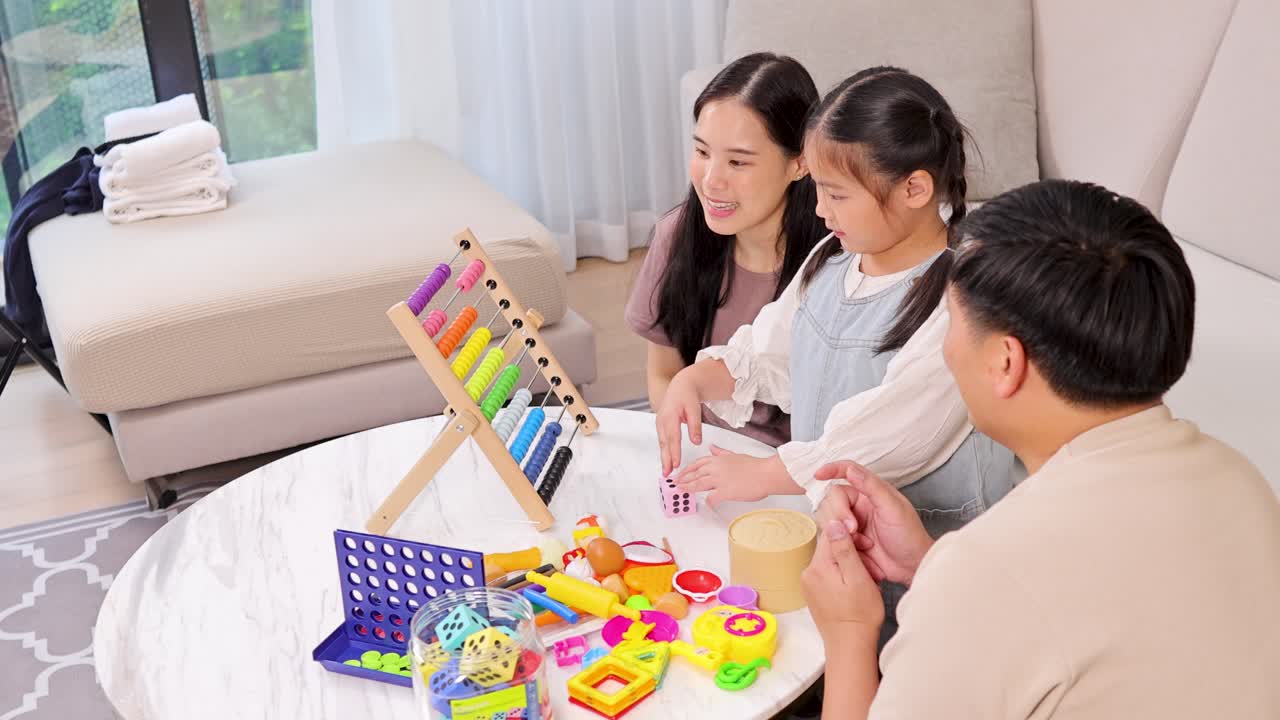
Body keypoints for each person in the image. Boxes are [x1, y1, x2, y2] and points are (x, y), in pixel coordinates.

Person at [802, 179, 1280, 719]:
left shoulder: (988, 573)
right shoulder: (1242, 482)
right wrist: (931, 568)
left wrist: (847, 634)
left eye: (952, 325)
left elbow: (1027, 596)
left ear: (1006, 363)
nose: (947, 350)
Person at [659, 65, 1018, 528]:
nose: (818, 210)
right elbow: (773, 351)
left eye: (836, 195)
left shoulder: (962, 301)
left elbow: (889, 434)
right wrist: (694, 380)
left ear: (914, 188)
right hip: (838, 523)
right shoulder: (833, 256)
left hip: (930, 545)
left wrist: (764, 473)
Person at [625, 52, 825, 447]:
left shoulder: (834, 262)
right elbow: (664, 374)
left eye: (737, 162)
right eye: (702, 152)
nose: (712, 181)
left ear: (800, 164)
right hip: (701, 457)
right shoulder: (677, 235)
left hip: (791, 472)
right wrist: (687, 452)